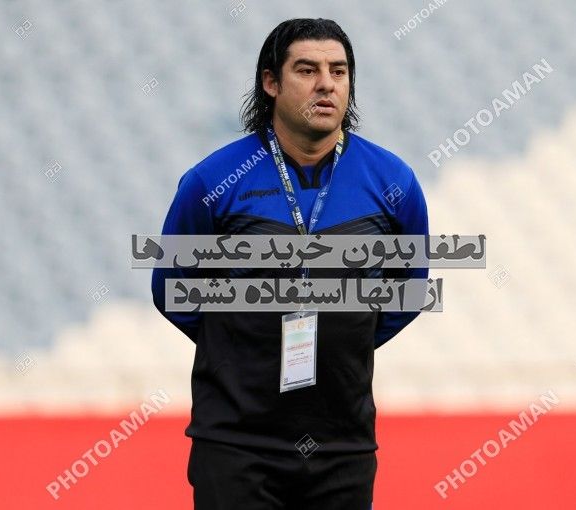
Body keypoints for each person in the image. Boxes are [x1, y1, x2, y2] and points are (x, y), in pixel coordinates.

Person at [152, 18, 429, 510]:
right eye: (307, 70)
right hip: (236, 444)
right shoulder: (213, 181)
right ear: (271, 82)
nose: (326, 84)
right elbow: (172, 289)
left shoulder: (393, 183)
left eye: (339, 71)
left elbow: (408, 290)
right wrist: (241, 340)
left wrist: (345, 333)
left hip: (342, 444)